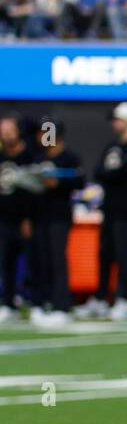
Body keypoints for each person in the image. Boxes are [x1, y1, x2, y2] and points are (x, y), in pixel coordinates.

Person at [79, 102, 127, 321]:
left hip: (126, 211)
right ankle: (100, 299)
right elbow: (100, 172)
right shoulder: (112, 147)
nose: (114, 123)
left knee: (123, 255)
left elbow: (124, 174)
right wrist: (112, 173)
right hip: (110, 209)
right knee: (105, 255)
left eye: (118, 119)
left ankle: (125, 299)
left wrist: (112, 173)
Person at [29, 119, 85, 328]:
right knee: (41, 260)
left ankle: (62, 306)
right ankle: (43, 303)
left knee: (57, 260)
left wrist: (58, 182)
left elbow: (80, 181)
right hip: (40, 216)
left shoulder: (69, 157)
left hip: (59, 216)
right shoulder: (39, 157)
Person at [0, 115, 34, 324]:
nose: (6, 134)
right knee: (6, 263)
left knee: (34, 261)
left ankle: (38, 302)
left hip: (27, 219)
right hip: (3, 219)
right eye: (2, 130)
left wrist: (28, 218)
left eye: (9, 130)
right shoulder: (1, 156)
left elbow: (34, 190)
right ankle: (8, 303)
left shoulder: (29, 155)